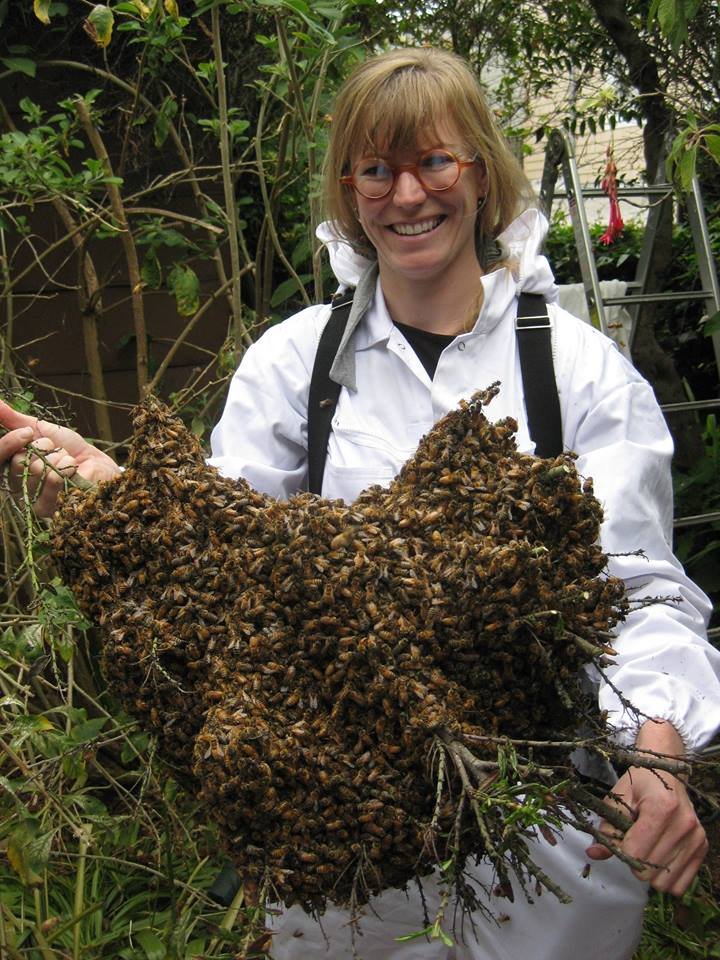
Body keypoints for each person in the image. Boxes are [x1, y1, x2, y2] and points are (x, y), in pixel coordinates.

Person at [1, 46, 719, 960]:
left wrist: (657, 742)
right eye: (375, 169)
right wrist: (116, 497)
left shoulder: (577, 372)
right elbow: (226, 562)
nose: (407, 195)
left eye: (434, 162)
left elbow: (642, 585)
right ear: (349, 190)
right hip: (339, 842)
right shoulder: (293, 363)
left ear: (483, 174)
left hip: (552, 847)